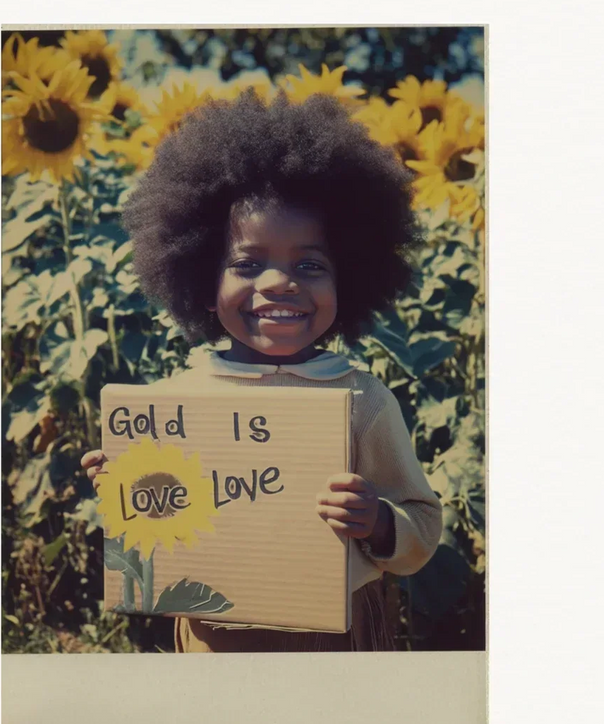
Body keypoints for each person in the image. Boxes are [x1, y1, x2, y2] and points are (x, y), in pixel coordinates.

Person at [82, 89, 443, 651]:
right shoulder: (172, 406)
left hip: (336, 639)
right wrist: (124, 486)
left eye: (310, 265)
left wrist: (378, 521)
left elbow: (422, 523)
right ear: (202, 281)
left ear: (349, 280)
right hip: (212, 637)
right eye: (248, 264)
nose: (279, 284)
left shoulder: (363, 402)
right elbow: (156, 529)